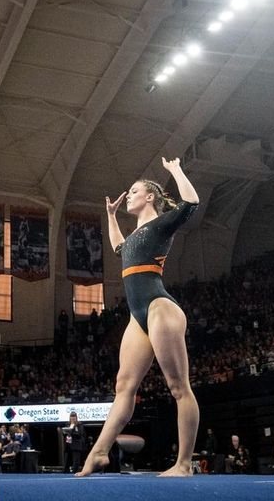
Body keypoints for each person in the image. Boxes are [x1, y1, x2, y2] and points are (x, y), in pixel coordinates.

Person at [77, 157, 200, 478]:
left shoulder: (161, 224)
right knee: (124, 386)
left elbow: (190, 204)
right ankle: (99, 453)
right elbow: (119, 247)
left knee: (178, 386)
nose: (127, 195)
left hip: (160, 307)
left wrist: (174, 171)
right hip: (138, 315)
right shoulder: (136, 235)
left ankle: (184, 464)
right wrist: (110, 216)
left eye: (133, 191)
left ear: (149, 197)